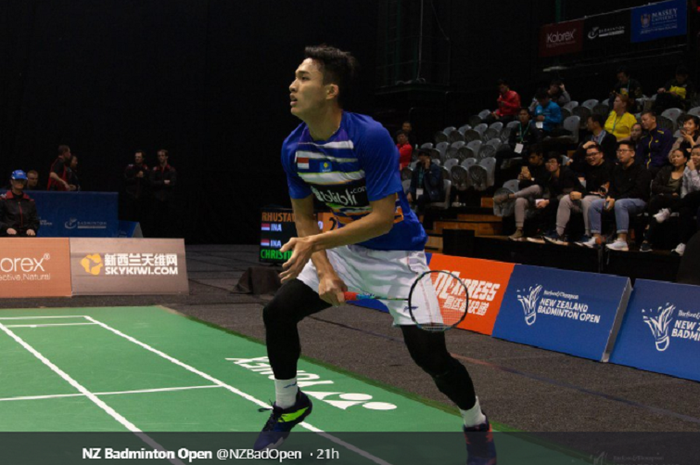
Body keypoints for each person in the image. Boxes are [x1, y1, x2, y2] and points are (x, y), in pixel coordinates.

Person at [257, 45, 495, 464]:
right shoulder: (293, 148)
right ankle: (288, 403)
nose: (292, 87)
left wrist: (315, 245)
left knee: (432, 359)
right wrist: (326, 272)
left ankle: (476, 423)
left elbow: (384, 218)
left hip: (398, 259)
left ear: (330, 90)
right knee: (277, 312)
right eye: (294, 78)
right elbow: (305, 219)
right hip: (344, 250)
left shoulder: (367, 136)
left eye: (303, 78)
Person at [578, 141, 651, 250]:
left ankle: (621, 240)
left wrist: (615, 199)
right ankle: (595, 237)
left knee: (620, 204)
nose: (620, 154)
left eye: (623, 151)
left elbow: (638, 191)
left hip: (638, 201)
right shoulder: (617, 169)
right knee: (595, 204)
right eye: (618, 151)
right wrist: (609, 196)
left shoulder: (641, 169)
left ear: (632, 153)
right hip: (618, 199)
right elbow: (612, 187)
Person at [547, 143, 612, 246]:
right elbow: (572, 163)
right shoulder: (587, 165)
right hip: (587, 197)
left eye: (594, 154)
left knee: (587, 200)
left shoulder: (609, 167)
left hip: (604, 200)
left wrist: (582, 195)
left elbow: (605, 191)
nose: (591, 157)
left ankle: (588, 234)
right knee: (565, 199)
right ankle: (559, 234)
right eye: (588, 155)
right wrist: (583, 148)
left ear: (601, 154)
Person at [493, 145, 548, 240]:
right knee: (520, 201)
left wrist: (531, 178)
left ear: (540, 156)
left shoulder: (546, 166)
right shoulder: (530, 167)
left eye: (533, 157)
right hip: (531, 199)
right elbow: (521, 186)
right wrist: (523, 179)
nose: (530, 160)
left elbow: (543, 183)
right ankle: (519, 229)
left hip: (544, 198)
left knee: (536, 187)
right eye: (529, 158)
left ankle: (509, 196)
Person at [639, 149, 688, 252]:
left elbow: (683, 192)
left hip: (679, 200)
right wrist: (670, 191)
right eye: (673, 156)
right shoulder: (665, 170)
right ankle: (647, 240)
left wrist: (669, 193)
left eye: (678, 156)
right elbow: (655, 186)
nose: (675, 159)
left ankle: (647, 238)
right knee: (656, 200)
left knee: (658, 199)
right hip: (663, 198)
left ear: (685, 159)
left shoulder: (688, 172)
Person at [656, 144, 700, 256]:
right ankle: (683, 244)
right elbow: (684, 189)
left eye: (698, 155)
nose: (694, 157)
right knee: (685, 210)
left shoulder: (691, 168)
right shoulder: (688, 169)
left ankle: (669, 210)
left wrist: (694, 171)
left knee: (695, 194)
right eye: (693, 154)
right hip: (692, 200)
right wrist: (684, 202)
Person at [527, 153, 581, 243]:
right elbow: (547, 192)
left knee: (554, 204)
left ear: (559, 164)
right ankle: (543, 233)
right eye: (547, 162)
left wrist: (548, 201)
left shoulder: (567, 173)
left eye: (552, 162)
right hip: (559, 199)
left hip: (573, 200)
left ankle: (559, 235)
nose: (549, 164)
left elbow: (566, 194)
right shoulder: (549, 176)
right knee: (540, 204)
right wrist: (542, 201)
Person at [494, 108, 542, 186]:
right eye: (520, 114)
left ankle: (524, 179)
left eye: (524, 114)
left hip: (528, 150)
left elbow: (538, 141)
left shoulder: (533, 127)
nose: (522, 116)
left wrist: (528, 148)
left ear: (528, 116)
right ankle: (497, 179)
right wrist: (516, 147)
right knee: (500, 153)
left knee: (526, 154)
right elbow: (511, 141)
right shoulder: (515, 128)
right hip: (517, 148)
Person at [0, 170, 39, 237]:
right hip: (8, 234)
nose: (20, 182)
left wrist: (31, 228)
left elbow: (35, 220)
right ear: (11, 181)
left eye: (22, 180)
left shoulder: (29, 201)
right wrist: (7, 228)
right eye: (17, 180)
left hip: (25, 234)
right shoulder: (3, 200)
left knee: (31, 236)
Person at [149, 149, 177, 237]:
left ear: (166, 157)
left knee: (168, 221)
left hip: (167, 199)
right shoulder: (154, 169)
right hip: (156, 198)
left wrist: (159, 183)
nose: (160, 157)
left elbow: (172, 184)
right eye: (159, 156)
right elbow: (151, 183)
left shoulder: (171, 170)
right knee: (156, 221)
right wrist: (163, 182)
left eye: (162, 155)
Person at [407, 148, 444, 214]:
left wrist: (427, 170)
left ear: (428, 157)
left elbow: (433, 183)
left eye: (425, 155)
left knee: (421, 198)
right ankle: (407, 217)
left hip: (432, 192)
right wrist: (409, 192)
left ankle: (420, 221)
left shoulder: (435, 168)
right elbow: (413, 184)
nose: (422, 157)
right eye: (421, 155)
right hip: (420, 191)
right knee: (405, 195)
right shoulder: (417, 168)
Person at [637, 111, 674, 176]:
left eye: (645, 120)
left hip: (659, 167)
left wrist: (651, 165)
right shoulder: (644, 137)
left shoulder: (664, 133)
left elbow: (665, 154)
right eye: (641, 120)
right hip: (645, 167)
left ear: (653, 119)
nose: (642, 122)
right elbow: (640, 155)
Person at [124, 150, 151, 222]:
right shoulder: (129, 168)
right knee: (129, 217)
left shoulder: (146, 169)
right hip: (130, 196)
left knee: (141, 218)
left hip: (141, 198)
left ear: (143, 159)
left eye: (139, 157)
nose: (137, 158)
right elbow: (126, 180)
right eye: (136, 157)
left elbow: (149, 183)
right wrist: (136, 177)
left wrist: (143, 177)